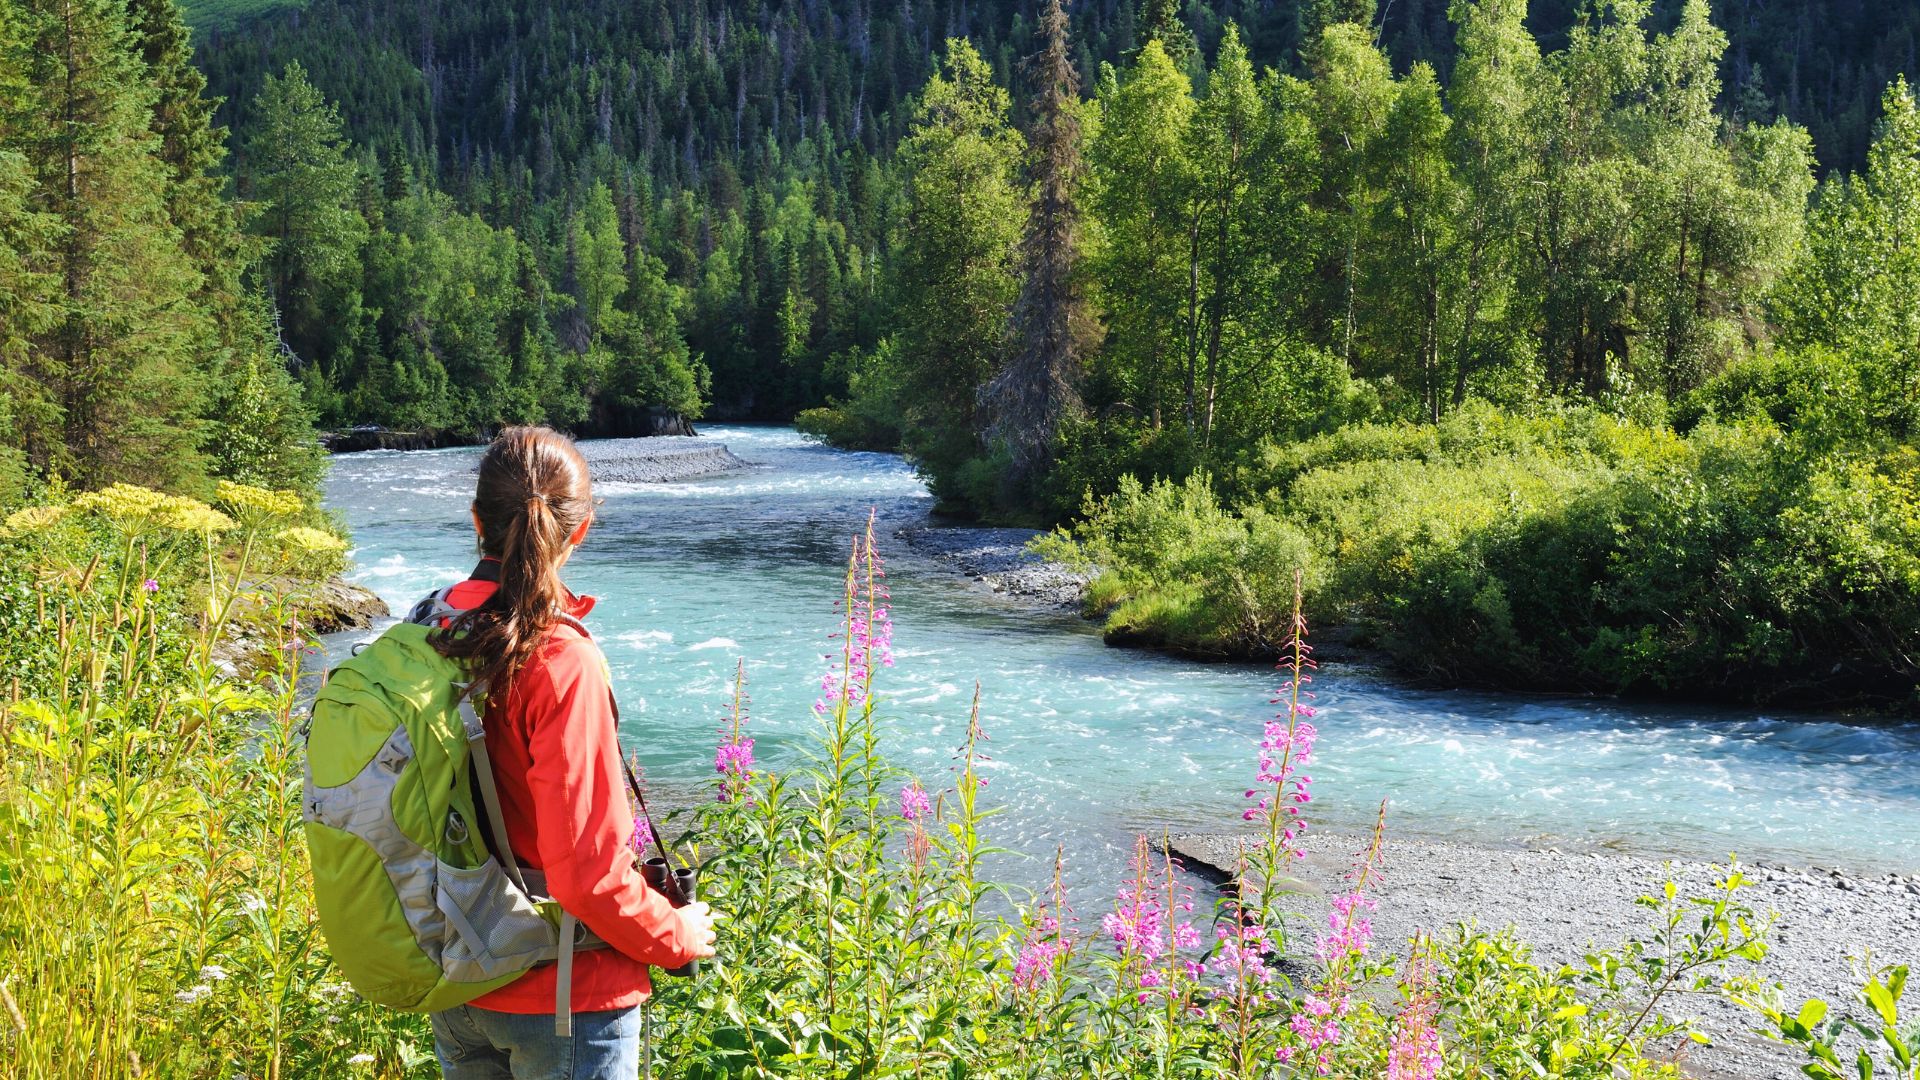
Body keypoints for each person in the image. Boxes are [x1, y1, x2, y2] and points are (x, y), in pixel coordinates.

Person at [420, 425, 719, 1079]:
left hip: (460, 977)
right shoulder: (560, 660)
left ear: (476, 520)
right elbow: (586, 877)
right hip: (565, 1000)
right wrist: (678, 937)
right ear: (580, 530)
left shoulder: (432, 632)